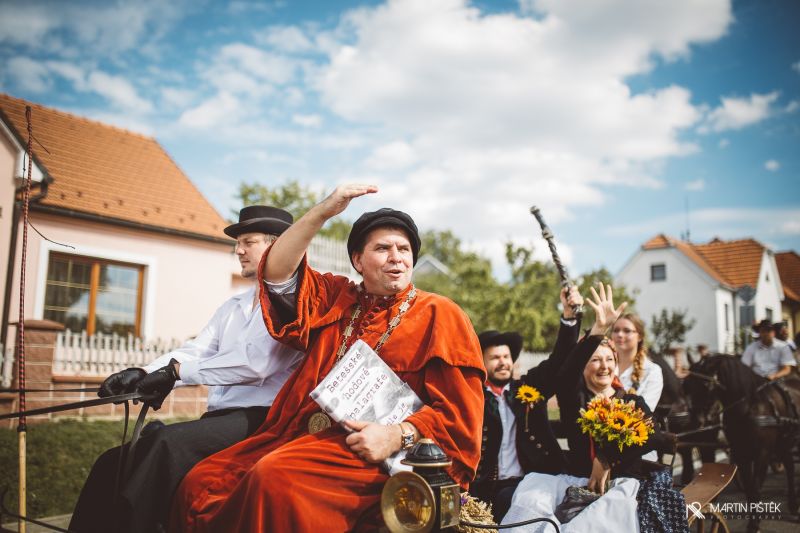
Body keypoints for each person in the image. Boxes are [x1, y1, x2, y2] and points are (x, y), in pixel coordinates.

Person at [170, 184, 486, 532]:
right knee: (202, 481)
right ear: (358, 261)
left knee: (273, 479)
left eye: (404, 249)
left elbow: (461, 418)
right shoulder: (336, 297)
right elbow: (276, 273)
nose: (396, 257)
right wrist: (323, 211)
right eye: (382, 248)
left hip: (375, 452)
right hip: (296, 434)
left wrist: (397, 435)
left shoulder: (441, 314)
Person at [69, 206, 304, 533]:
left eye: (248, 242)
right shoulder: (233, 305)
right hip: (221, 418)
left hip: (263, 420)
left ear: (278, 246)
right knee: (112, 462)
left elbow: (255, 364)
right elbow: (198, 350)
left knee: (166, 444)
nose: (238, 250)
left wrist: (175, 373)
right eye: (238, 243)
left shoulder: (294, 305)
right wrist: (144, 372)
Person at [503, 284, 679, 532]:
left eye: (609, 359)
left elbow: (654, 437)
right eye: (595, 360)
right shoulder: (573, 398)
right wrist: (598, 329)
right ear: (584, 367)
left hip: (622, 485)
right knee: (531, 497)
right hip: (575, 481)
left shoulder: (631, 402)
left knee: (597, 520)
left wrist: (605, 458)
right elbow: (568, 367)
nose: (603, 366)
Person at [471, 286, 583, 521]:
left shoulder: (529, 387)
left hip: (531, 484)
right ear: (482, 362)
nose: (503, 362)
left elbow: (559, 360)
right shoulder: (473, 396)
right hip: (484, 488)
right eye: (495, 358)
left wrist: (569, 318)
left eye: (506, 357)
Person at [611, 313, 663, 411]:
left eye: (627, 331)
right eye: (616, 330)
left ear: (640, 336)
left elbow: (644, 412)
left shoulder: (652, 371)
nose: (620, 334)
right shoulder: (604, 367)